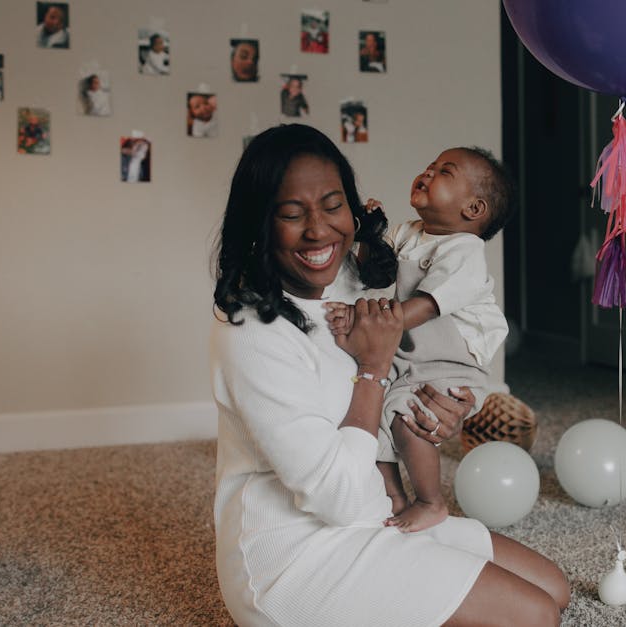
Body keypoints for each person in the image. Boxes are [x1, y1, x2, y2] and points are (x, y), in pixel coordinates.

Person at [211, 124, 568, 626]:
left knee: (554, 589)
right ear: (260, 223)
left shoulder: (361, 280)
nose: (318, 230)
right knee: (533, 618)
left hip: (379, 514)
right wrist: (373, 369)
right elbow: (335, 498)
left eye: (333, 206)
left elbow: (435, 352)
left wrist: (449, 409)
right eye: (292, 214)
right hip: (298, 556)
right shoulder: (250, 331)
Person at [324, 146, 514, 533]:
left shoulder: (465, 250)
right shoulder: (407, 233)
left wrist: (367, 323)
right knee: (373, 414)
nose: (427, 172)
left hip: (451, 358)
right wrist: (368, 233)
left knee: (409, 420)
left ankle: (431, 501)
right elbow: (374, 275)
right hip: (413, 352)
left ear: (473, 210)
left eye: (445, 172)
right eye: (428, 165)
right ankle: (393, 496)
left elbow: (427, 305)